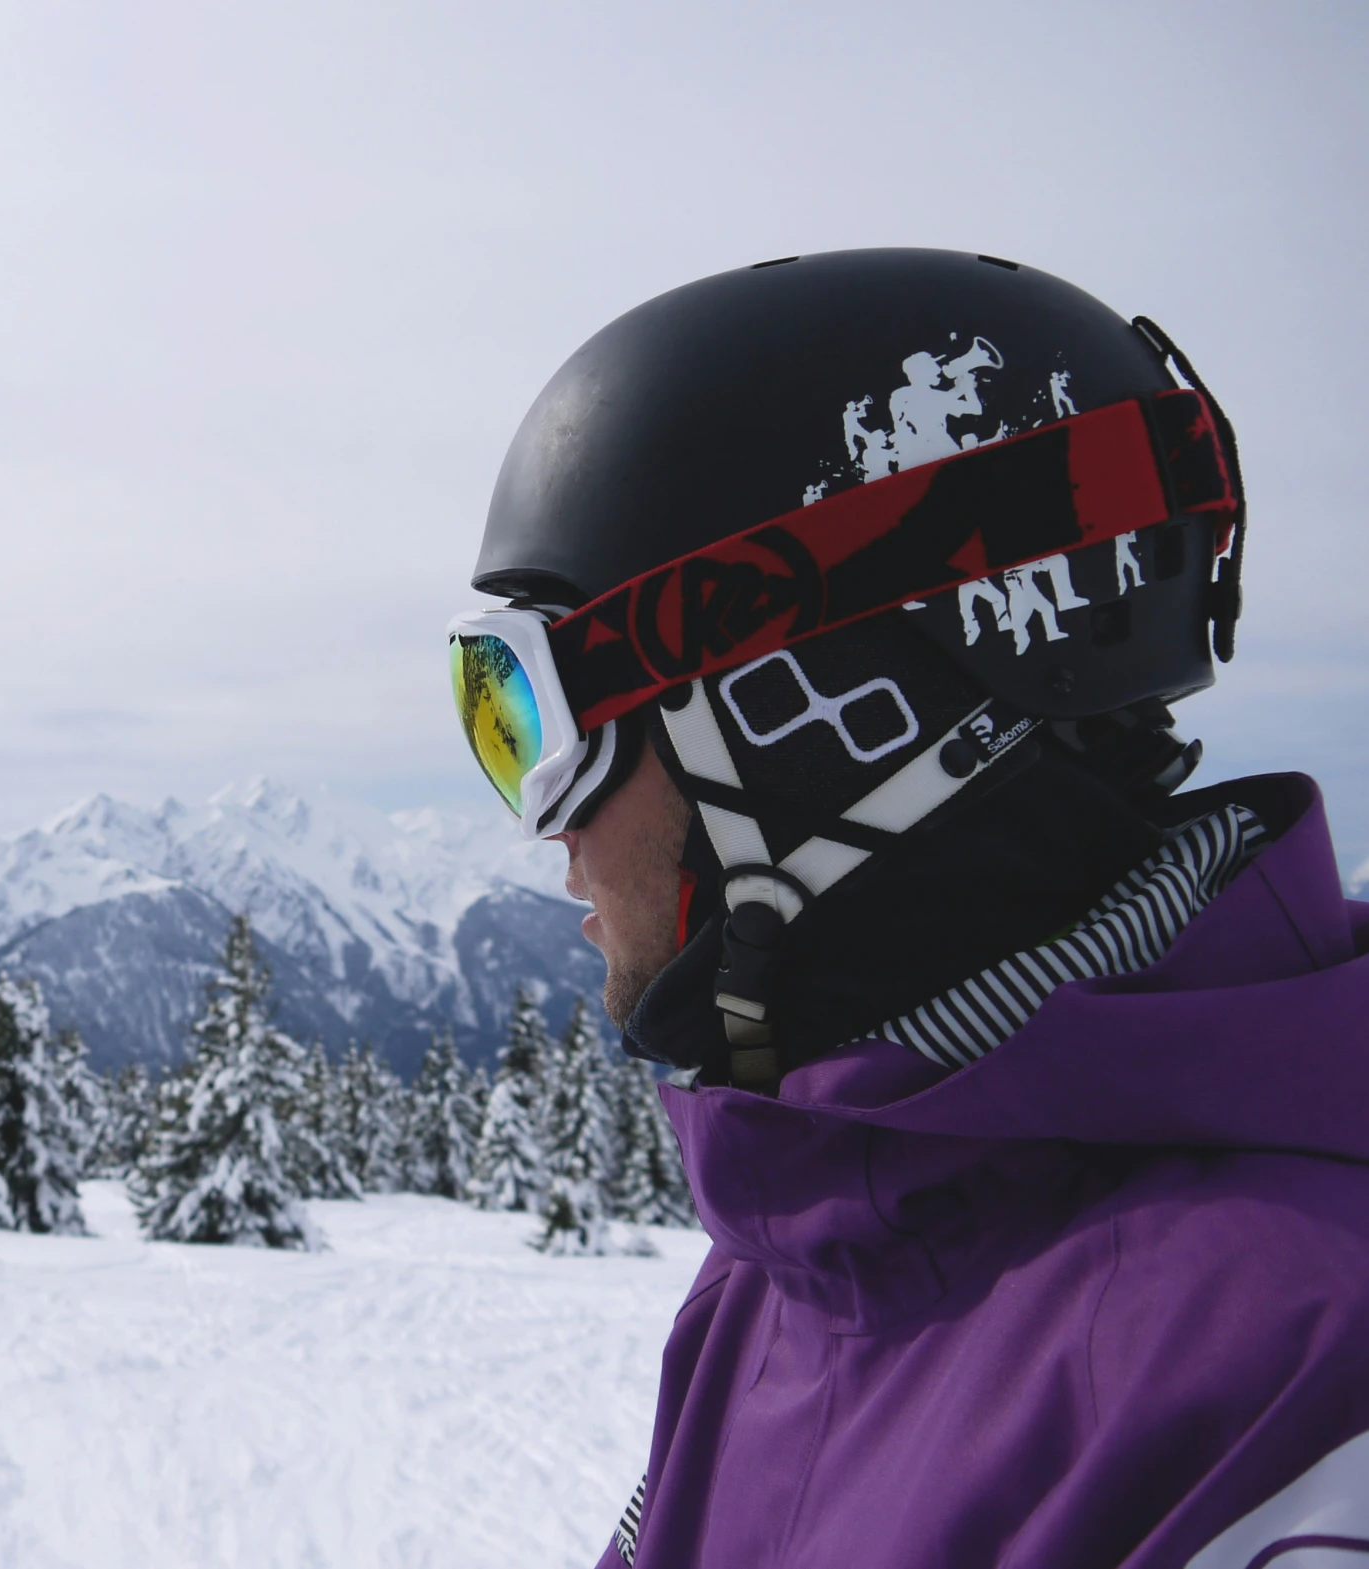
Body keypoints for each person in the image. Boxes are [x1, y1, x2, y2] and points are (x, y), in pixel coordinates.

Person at [447, 248, 1369, 1567]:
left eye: (541, 715)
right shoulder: (794, 1270)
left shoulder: (1292, 1384)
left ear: (803, 712)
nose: (553, 826)